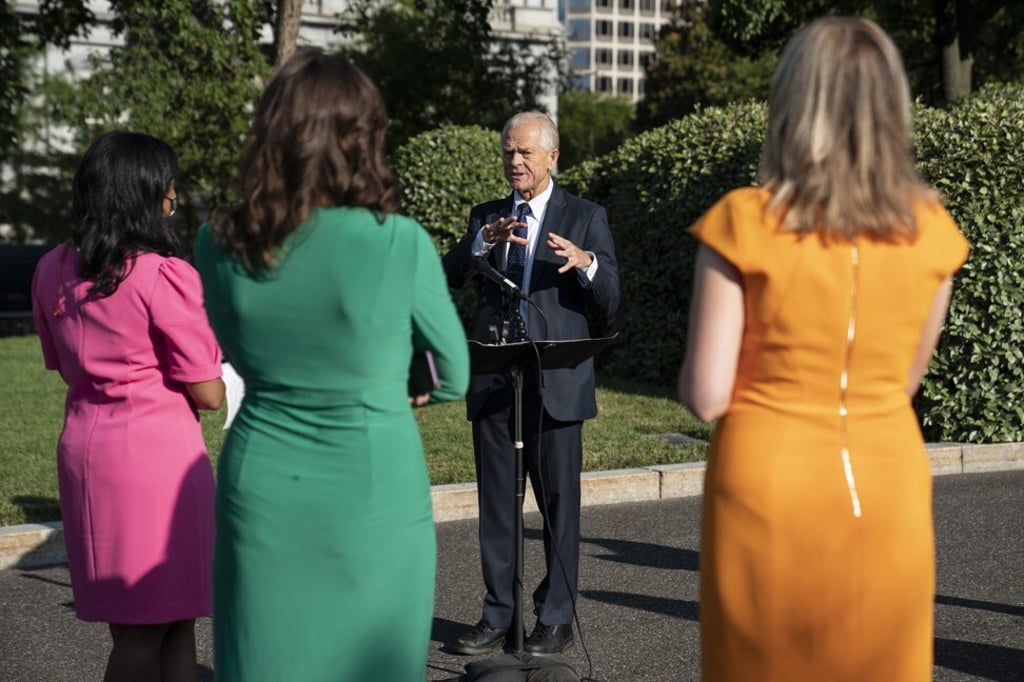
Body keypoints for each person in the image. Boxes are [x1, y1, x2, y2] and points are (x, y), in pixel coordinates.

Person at [678, 17, 969, 681]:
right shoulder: (932, 232)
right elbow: (905, 381)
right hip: (888, 476)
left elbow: (706, 395)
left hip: (767, 480)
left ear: (792, 102)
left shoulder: (745, 221)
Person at [193, 49, 470, 681]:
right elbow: (453, 371)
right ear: (363, 137)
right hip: (375, 480)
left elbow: (232, 347)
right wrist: (399, 386)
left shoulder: (219, 241)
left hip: (263, 476)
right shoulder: (400, 240)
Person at [30, 131, 224, 682]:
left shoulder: (52, 267)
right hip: (158, 463)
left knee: (162, 622)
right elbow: (209, 393)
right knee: (155, 630)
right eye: (169, 187)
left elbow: (61, 364)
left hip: (87, 452)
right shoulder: (163, 273)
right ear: (146, 194)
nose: (173, 197)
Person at [442, 111, 621, 655]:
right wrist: (479, 243)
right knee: (497, 506)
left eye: (525, 153)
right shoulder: (487, 216)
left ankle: (556, 617)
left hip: (556, 383)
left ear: (552, 157)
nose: (515, 162)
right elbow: (449, 276)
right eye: (508, 153)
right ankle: (499, 614)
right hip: (497, 381)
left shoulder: (585, 216)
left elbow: (611, 301)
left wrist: (586, 263)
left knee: (559, 506)